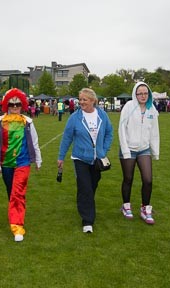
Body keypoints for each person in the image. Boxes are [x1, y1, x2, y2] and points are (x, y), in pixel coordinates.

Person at [57, 88, 113, 234]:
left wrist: (103, 150)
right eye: (80, 99)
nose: (81, 102)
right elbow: (67, 138)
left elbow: (109, 133)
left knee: (91, 187)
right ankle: (87, 221)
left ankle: (84, 203)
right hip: (80, 158)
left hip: (97, 160)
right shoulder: (74, 118)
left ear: (93, 101)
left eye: (84, 100)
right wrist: (61, 157)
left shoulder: (102, 115)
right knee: (86, 188)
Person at [0, 88, 42, 242]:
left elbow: (34, 142)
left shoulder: (28, 122)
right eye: (12, 105)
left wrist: (38, 160)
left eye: (17, 104)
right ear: (7, 105)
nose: (14, 107)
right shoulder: (1, 122)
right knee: (11, 192)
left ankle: (17, 226)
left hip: (23, 162)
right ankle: (16, 210)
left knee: (17, 192)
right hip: (6, 163)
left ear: (22, 105)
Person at [118, 82, 159, 225]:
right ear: (135, 94)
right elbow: (121, 128)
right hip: (128, 148)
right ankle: (126, 206)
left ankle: (145, 209)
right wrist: (124, 149)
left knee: (148, 180)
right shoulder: (129, 107)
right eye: (140, 93)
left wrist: (155, 151)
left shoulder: (151, 109)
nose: (143, 96)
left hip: (144, 149)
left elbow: (154, 132)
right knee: (128, 179)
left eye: (145, 93)